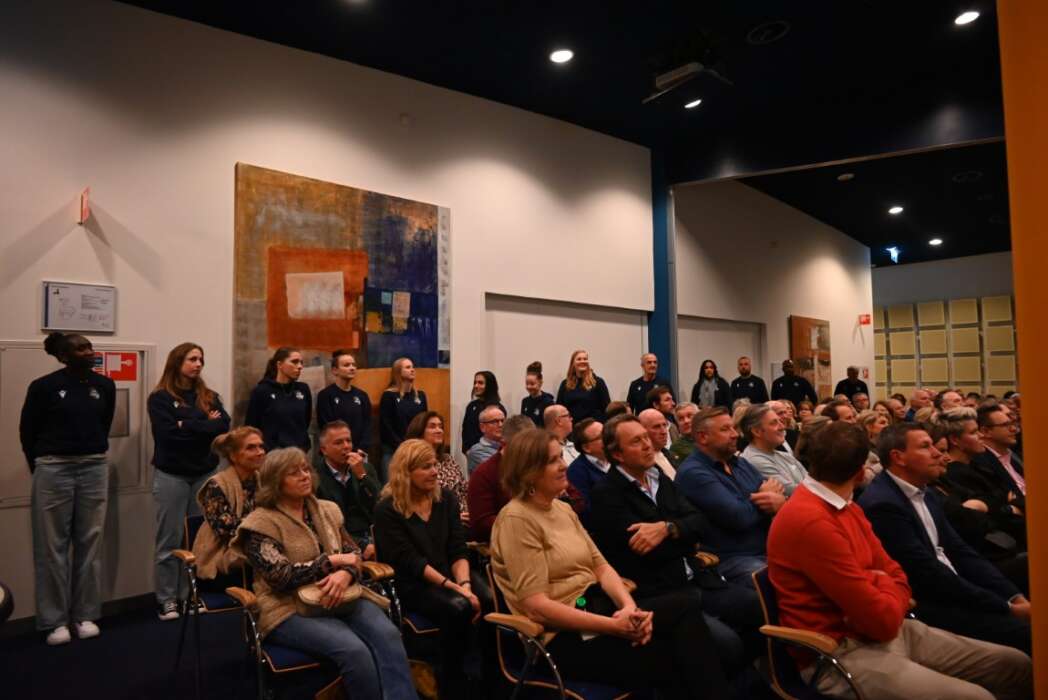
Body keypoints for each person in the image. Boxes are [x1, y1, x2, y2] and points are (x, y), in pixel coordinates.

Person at [767, 421, 1032, 700]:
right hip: (841, 651)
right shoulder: (811, 520)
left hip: (889, 630)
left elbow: (892, 570)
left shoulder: (846, 506)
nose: (937, 453)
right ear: (861, 473)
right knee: (977, 697)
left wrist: (881, 582)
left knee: (1015, 664)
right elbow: (880, 618)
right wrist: (884, 584)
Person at [490, 429, 731, 699]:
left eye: (561, 457)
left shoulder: (562, 509)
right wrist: (615, 626)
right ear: (528, 472)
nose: (564, 465)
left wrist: (628, 609)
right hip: (562, 636)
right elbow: (537, 607)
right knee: (676, 649)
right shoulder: (517, 519)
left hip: (598, 609)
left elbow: (602, 567)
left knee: (685, 617)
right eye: (552, 461)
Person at [589, 415, 766, 688]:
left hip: (696, 578)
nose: (648, 445)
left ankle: (749, 681)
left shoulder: (658, 477)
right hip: (661, 592)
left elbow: (701, 523)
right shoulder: (607, 493)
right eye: (636, 441)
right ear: (617, 454)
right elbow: (646, 551)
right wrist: (684, 534)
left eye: (646, 437)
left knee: (759, 606)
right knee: (728, 645)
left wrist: (667, 528)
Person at [232, 448, 415, 699]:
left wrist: (346, 574)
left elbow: (353, 553)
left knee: (388, 635)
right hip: (286, 606)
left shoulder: (327, 510)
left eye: (306, 469)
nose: (304, 475)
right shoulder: (260, 523)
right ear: (275, 481)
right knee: (354, 650)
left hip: (343, 595)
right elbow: (280, 577)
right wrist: (330, 562)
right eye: (294, 473)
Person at [859, 424, 1032, 655]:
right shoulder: (883, 505)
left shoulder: (926, 493)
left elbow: (960, 551)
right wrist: (1005, 607)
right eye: (925, 446)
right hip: (929, 604)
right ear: (898, 457)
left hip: (952, 584)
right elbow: (928, 574)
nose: (938, 453)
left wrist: (1013, 596)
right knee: (1029, 633)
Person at [19, 332, 115, 645]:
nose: (89, 351)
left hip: (94, 466)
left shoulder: (104, 385)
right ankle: (55, 621)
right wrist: (41, 467)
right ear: (64, 356)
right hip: (53, 467)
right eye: (81, 348)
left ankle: (85, 615)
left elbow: (104, 425)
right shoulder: (43, 386)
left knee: (90, 543)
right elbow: (28, 432)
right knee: (52, 547)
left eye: (89, 346)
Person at [373, 439, 489, 697]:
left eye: (435, 465)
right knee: (459, 607)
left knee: (490, 599)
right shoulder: (387, 510)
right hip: (414, 583)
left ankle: (489, 678)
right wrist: (457, 590)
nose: (435, 472)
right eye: (426, 467)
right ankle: (451, 682)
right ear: (406, 472)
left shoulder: (446, 499)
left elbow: (458, 548)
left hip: (450, 572)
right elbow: (412, 562)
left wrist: (465, 585)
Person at [149, 342, 231, 620]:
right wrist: (204, 423)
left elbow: (223, 426)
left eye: (200, 360)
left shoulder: (208, 396)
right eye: (192, 359)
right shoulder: (160, 398)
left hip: (204, 474)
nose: (198, 364)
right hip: (172, 475)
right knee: (169, 538)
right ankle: (167, 599)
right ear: (177, 362)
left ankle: (189, 596)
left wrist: (186, 423)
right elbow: (167, 434)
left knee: (198, 539)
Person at [676, 407, 784, 584]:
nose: (735, 434)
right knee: (779, 580)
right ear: (703, 437)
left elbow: (775, 494)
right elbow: (738, 517)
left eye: (733, 428)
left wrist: (776, 501)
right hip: (731, 559)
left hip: (767, 547)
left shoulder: (740, 463)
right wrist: (763, 498)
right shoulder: (693, 473)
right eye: (725, 429)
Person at [193, 427, 265, 582]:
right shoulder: (216, 485)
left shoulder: (262, 482)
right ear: (233, 456)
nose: (260, 452)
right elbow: (228, 532)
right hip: (223, 557)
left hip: (258, 552)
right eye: (251, 448)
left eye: (261, 446)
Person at [314, 421, 380, 558]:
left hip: (372, 532)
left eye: (348, 441)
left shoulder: (365, 469)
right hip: (340, 540)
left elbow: (378, 504)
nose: (346, 446)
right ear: (324, 450)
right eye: (338, 443)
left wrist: (362, 476)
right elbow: (324, 524)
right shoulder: (315, 477)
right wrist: (360, 545)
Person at [466, 415, 536, 541]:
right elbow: (482, 524)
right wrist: (526, 524)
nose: (530, 451)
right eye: (523, 446)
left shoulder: (537, 467)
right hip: (504, 541)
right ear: (504, 444)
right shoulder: (484, 474)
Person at [245, 347, 311, 452]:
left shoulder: (303, 389)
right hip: (272, 454)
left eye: (301, 363)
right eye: (294, 362)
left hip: (299, 452)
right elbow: (251, 426)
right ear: (279, 365)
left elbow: (305, 420)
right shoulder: (262, 391)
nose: (300, 366)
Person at [405, 411, 468, 513]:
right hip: (437, 516)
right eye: (432, 427)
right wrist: (454, 516)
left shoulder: (448, 459)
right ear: (419, 432)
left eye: (440, 427)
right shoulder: (412, 460)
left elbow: (464, 489)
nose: (439, 430)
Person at [739, 404, 807, 496]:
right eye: (774, 423)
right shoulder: (754, 461)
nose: (782, 427)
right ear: (757, 431)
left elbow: (811, 481)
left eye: (780, 421)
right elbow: (794, 491)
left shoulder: (785, 455)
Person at [378, 356, 427, 482]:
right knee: (392, 488)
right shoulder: (389, 396)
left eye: (413, 367)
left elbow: (424, 422)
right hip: (393, 450)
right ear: (398, 372)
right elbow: (386, 426)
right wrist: (402, 447)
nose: (412, 370)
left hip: (416, 450)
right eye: (408, 367)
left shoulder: (420, 396)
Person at [315, 350, 372, 453]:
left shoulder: (362, 395)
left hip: (359, 452)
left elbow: (367, 425)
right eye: (346, 365)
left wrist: (362, 448)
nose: (352, 368)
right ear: (335, 370)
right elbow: (326, 426)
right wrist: (343, 448)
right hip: (336, 452)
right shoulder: (326, 395)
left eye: (353, 365)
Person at [974, 403, 1025, 503]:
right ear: (986, 431)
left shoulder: (1012, 455)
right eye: (1005, 425)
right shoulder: (981, 464)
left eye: (1012, 424)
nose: (1014, 429)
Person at [565, 418, 610, 524]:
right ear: (586, 448)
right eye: (601, 437)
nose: (608, 438)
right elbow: (586, 512)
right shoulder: (576, 472)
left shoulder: (617, 459)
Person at [556, 349, 611, 422]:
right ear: (573, 363)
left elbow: (607, 408)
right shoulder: (565, 384)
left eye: (585, 359)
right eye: (579, 359)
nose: (582, 361)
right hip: (572, 426)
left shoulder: (598, 382)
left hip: (593, 425)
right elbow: (559, 409)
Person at [460, 370, 505, 455]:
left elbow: (498, 434)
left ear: (489, 385)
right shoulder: (471, 406)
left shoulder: (497, 409)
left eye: (480, 383)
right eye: (475, 382)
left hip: (488, 453)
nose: (476, 386)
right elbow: (465, 430)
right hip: (470, 453)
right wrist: (466, 450)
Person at [636, 408, 677, 480]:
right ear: (642, 430)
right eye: (656, 427)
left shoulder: (669, 454)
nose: (664, 432)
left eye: (664, 425)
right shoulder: (640, 463)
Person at [466, 404, 505, 475]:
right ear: (482, 427)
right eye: (494, 421)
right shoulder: (477, 451)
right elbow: (502, 473)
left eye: (502, 421)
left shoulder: (507, 445)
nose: (500, 425)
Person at [859, 409, 890, 483]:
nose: (888, 426)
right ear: (869, 427)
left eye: (888, 423)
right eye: (882, 423)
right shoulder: (862, 450)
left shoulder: (888, 446)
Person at [520, 361, 554, 427]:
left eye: (532, 384)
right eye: (527, 384)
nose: (529, 387)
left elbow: (550, 425)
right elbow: (522, 423)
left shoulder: (548, 402)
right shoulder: (525, 401)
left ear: (540, 383)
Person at [667, 402, 698, 467]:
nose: (686, 421)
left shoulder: (712, 438)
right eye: (681, 419)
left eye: (689, 416)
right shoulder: (676, 448)